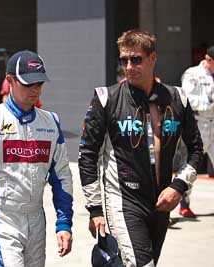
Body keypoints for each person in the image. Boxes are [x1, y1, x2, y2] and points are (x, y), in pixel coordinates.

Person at [79, 29, 203, 267]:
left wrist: (179, 186)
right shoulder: (106, 98)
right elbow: (87, 157)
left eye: (136, 59)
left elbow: (196, 148)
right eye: (123, 60)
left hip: (161, 203)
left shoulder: (178, 98)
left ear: (152, 58)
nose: (129, 66)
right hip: (123, 201)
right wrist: (95, 209)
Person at [0, 50, 73, 267]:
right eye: (28, 83)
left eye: (39, 83)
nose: (35, 90)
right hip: (1, 216)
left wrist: (64, 223)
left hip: (36, 217)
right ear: (9, 81)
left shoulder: (51, 122)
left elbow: (62, 177)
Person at [178, 45, 214, 217]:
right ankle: (184, 203)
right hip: (199, 123)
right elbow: (187, 98)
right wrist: (209, 101)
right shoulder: (192, 74)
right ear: (208, 59)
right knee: (191, 165)